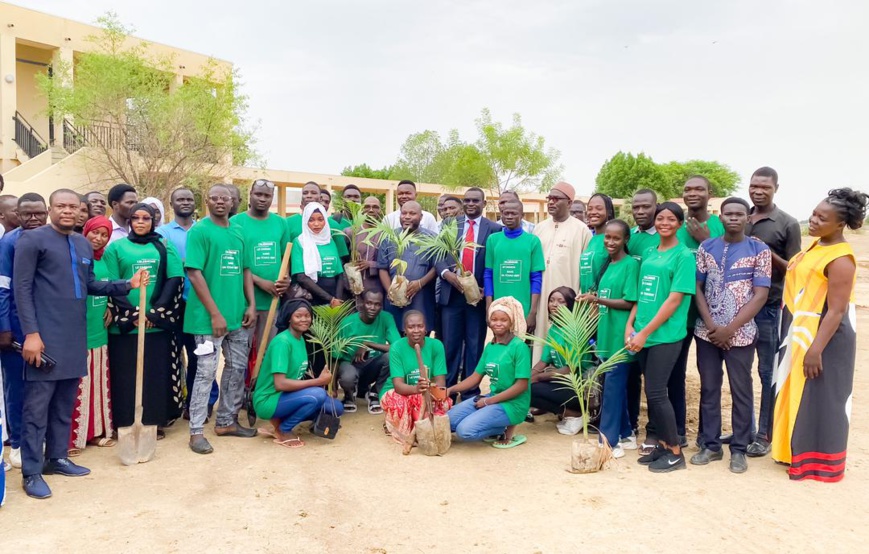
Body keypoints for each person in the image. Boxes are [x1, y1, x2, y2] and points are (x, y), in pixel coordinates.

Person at [13, 188, 146, 499]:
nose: (68, 211)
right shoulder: (32, 241)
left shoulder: (81, 243)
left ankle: (57, 458)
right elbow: (21, 289)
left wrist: (127, 284)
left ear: (80, 210)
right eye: (61, 206)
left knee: (64, 403)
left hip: (75, 336)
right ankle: (32, 472)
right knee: (37, 408)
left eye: (73, 207)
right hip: (44, 337)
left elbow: (89, 284)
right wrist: (31, 334)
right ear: (50, 209)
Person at [771, 188, 866, 482]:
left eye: (822, 218)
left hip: (822, 336)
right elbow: (799, 275)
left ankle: (817, 463)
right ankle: (791, 450)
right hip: (800, 330)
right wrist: (768, 254)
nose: (813, 220)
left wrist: (815, 350)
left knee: (819, 397)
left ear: (840, 224)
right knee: (796, 392)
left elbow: (836, 310)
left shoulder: (841, 258)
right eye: (813, 213)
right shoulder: (816, 247)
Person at [691, 198, 771, 473]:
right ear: (720, 217)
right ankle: (711, 446)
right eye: (728, 214)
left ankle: (739, 448)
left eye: (739, 214)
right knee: (709, 389)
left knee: (741, 390)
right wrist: (713, 326)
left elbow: (760, 295)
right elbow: (698, 288)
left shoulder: (759, 250)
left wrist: (730, 328)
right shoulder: (706, 247)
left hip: (742, 334)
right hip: (707, 333)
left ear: (748, 217)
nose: (733, 218)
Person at [184, 184, 258, 455]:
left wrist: (250, 304)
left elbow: (246, 269)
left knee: (236, 368)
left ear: (232, 202)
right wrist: (215, 313)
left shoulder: (238, 231)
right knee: (205, 373)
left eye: (224, 198)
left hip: (237, 317)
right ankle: (195, 432)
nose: (219, 202)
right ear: (207, 201)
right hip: (208, 319)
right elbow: (194, 273)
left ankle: (226, 421)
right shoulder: (200, 231)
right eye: (214, 198)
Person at [104, 203, 185, 438]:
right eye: (136, 218)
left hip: (155, 324)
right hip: (128, 325)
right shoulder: (116, 248)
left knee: (155, 374)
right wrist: (135, 314)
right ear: (129, 221)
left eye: (146, 218)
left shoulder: (163, 246)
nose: (141, 222)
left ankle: (153, 421)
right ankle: (126, 422)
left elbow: (175, 278)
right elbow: (111, 284)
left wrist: (154, 313)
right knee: (125, 375)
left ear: (153, 221)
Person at [625, 202, 695, 473]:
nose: (665, 223)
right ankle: (663, 447)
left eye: (671, 219)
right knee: (652, 393)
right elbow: (641, 295)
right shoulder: (651, 252)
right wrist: (631, 325)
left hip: (665, 335)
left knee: (657, 392)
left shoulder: (684, 256)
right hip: (642, 333)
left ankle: (675, 452)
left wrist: (645, 332)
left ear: (679, 223)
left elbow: (674, 300)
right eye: (660, 218)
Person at [744, 166, 802, 457]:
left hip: (768, 307)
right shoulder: (742, 217)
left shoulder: (787, 223)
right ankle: (744, 430)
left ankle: (765, 434)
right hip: (738, 310)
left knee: (766, 371)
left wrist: (766, 252)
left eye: (765, 187)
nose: (758, 190)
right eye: (754, 185)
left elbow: (794, 270)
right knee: (740, 371)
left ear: (776, 188)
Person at [158, 187, 219, 418]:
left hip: (201, 304)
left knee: (201, 356)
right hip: (174, 305)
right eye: (180, 199)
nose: (185, 202)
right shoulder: (162, 233)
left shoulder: (205, 230)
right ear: (171, 204)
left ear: (196, 203)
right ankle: (178, 401)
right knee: (174, 356)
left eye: (189, 199)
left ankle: (202, 401)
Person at [581, 220, 640, 458]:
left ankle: (608, 440)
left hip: (620, 339)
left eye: (616, 238)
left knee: (612, 390)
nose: (610, 242)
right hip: (605, 336)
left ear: (626, 239)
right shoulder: (607, 264)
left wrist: (598, 301)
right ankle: (626, 434)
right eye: (607, 237)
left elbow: (629, 301)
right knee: (614, 388)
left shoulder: (630, 265)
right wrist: (592, 297)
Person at [673, 175, 725, 446]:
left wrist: (706, 241)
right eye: (687, 189)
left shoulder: (719, 225)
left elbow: (729, 269)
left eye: (699, 189)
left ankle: (707, 436)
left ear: (709, 193)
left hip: (712, 316)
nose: (692, 193)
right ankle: (678, 431)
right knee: (676, 374)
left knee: (709, 377)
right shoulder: (674, 225)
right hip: (679, 314)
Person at [252, 298, 344, 449]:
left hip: (284, 397)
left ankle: (283, 419)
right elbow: (280, 383)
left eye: (307, 316)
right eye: (298, 316)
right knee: (318, 395)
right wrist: (318, 382)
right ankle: (284, 429)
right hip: (268, 400)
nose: (304, 319)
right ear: (289, 318)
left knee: (336, 407)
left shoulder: (300, 339)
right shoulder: (282, 342)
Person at [0, 193, 48, 471]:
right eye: (26, 214)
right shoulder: (9, 242)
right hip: (17, 329)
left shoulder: (57, 238)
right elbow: (3, 288)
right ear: (15, 215)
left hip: (49, 326)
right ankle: (18, 443)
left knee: (44, 388)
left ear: (47, 213)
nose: (32, 219)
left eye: (38, 213)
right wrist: (4, 327)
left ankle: (42, 441)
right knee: (17, 388)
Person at [437, 187, 502, 393]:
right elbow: (437, 255)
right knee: (450, 344)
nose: (471, 204)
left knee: (474, 346)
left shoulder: (494, 229)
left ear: (484, 204)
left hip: (478, 297)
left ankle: (469, 393)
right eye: (467, 200)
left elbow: (494, 264)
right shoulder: (449, 224)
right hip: (452, 294)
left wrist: (488, 291)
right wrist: (449, 275)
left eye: (475, 201)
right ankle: (446, 391)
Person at [447, 297, 530, 448]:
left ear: (511, 322)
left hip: (512, 404)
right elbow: (475, 377)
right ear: (489, 321)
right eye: (494, 319)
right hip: (492, 398)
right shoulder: (490, 347)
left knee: (464, 431)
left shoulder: (519, 347)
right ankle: (489, 422)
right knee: (448, 421)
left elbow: (522, 385)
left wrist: (487, 402)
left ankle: (502, 429)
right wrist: (450, 390)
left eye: (504, 320)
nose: (498, 323)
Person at [68, 216, 117, 455]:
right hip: (78, 330)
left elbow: (107, 285)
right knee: (77, 385)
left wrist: (108, 304)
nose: (98, 239)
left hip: (100, 329)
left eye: (104, 234)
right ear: (85, 231)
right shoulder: (76, 257)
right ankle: (72, 438)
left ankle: (96, 432)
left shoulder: (105, 258)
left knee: (98, 382)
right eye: (94, 233)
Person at [532, 181, 592, 362]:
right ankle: (538, 377)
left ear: (570, 203)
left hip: (567, 302)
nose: (551, 202)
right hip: (542, 299)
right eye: (549, 198)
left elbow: (586, 269)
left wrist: (579, 301)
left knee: (566, 347)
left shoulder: (582, 230)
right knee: (540, 338)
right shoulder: (539, 228)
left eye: (556, 198)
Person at [231, 180, 290, 346]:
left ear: (272, 198)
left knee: (266, 352)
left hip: (272, 301)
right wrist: (259, 281)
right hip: (244, 303)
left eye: (267, 196)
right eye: (258, 194)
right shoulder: (236, 222)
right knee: (242, 355)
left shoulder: (281, 223)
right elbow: (234, 262)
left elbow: (286, 256)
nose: (262, 199)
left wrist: (286, 278)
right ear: (250, 195)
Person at [379, 310, 451, 446]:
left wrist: (429, 388)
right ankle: (396, 422)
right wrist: (417, 388)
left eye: (420, 326)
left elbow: (441, 384)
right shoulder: (397, 348)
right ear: (404, 330)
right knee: (402, 405)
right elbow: (398, 386)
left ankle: (412, 423)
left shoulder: (436, 346)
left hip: (427, 390)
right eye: (411, 327)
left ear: (426, 328)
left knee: (443, 402)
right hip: (399, 391)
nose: (416, 330)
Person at [484, 199, 544, 333]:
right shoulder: (493, 240)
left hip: (524, 307)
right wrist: (489, 305)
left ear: (522, 215)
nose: (509, 217)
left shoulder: (532, 241)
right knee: (501, 345)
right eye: (506, 213)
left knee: (522, 348)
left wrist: (533, 312)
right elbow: (488, 274)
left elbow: (536, 278)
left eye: (514, 213)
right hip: (499, 307)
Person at [529, 287, 584, 433]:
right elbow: (543, 362)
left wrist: (537, 377)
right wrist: (527, 376)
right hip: (559, 382)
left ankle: (574, 414)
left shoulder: (574, 330)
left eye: (561, 301)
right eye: (551, 300)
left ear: (570, 305)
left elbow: (569, 369)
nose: (554, 304)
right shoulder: (554, 329)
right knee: (522, 385)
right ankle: (562, 411)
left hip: (577, 387)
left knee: (529, 388)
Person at [336, 289, 400, 413]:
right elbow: (335, 356)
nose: (372, 308)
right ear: (362, 303)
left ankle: (374, 393)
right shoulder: (347, 323)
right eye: (369, 303)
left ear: (381, 306)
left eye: (377, 304)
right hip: (350, 365)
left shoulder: (386, 318)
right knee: (347, 376)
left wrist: (367, 343)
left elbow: (398, 347)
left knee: (391, 356)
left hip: (372, 365)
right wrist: (333, 387)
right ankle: (349, 395)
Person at [377, 201, 437, 331]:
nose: (407, 216)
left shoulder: (432, 238)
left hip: (422, 299)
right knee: (396, 337)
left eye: (412, 213)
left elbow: (436, 267)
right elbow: (382, 268)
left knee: (419, 334)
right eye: (404, 213)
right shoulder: (388, 237)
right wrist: (391, 291)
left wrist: (420, 283)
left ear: (421, 217)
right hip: (394, 301)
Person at [290, 202, 345, 306]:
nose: (316, 224)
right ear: (305, 221)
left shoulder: (330, 241)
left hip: (334, 299)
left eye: (320, 219)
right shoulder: (300, 242)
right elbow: (301, 277)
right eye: (311, 220)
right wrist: (330, 299)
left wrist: (338, 299)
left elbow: (339, 274)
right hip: (311, 298)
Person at [345, 196, 384, 299]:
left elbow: (389, 263)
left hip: (375, 285)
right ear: (362, 209)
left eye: (375, 207)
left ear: (380, 210)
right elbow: (343, 258)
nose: (371, 210)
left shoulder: (385, 234)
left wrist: (371, 264)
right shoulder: (351, 232)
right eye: (367, 206)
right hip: (352, 284)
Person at [579, 193, 615, 294]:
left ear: (609, 212)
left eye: (599, 208)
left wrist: (597, 298)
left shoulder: (613, 241)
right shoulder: (592, 239)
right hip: (586, 304)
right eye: (590, 209)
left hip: (602, 302)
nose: (593, 212)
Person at [629, 189, 660, 261]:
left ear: (657, 206)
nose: (640, 212)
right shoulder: (626, 236)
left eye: (646, 207)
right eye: (635, 207)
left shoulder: (666, 238)